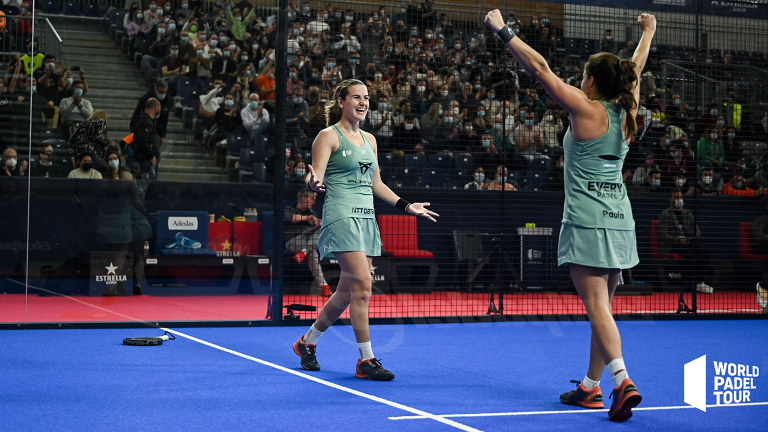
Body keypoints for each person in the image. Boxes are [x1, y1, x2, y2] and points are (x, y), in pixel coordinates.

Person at [484, 9, 650, 421]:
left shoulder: (585, 108)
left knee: (597, 307)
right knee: (603, 309)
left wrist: (503, 30)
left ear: (591, 81)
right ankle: (590, 388)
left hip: (587, 220)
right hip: (620, 221)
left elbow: (540, 68)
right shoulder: (628, 113)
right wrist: (649, 31)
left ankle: (621, 381)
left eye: (583, 74)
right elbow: (637, 69)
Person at [294, 79, 438, 380]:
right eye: (356, 97)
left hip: (366, 218)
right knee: (363, 285)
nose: (363, 103)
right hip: (341, 216)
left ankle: (307, 342)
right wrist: (313, 184)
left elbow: (377, 184)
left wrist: (407, 205)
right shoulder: (327, 136)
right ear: (341, 102)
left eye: (367, 98)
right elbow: (315, 177)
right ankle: (366, 360)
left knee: (346, 292)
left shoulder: (370, 140)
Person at [657, 189, 714, 294]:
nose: (679, 199)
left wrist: (693, 234)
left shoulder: (687, 213)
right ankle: (692, 281)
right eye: (676, 197)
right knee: (689, 254)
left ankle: (697, 282)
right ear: (670, 200)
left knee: (706, 254)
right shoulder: (665, 214)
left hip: (688, 242)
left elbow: (697, 231)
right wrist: (678, 239)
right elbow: (663, 234)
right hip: (673, 244)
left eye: (681, 197)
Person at [285, 188, 331, 297]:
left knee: (324, 228)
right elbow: (289, 218)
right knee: (313, 252)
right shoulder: (290, 209)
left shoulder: (312, 212)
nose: (314, 202)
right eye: (311, 198)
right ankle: (324, 286)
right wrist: (307, 218)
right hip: (293, 239)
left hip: (308, 239)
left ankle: (304, 251)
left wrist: (317, 222)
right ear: (303, 197)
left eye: (315, 199)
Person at [130, 98, 162, 179]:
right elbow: (143, 140)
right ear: (156, 108)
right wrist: (151, 155)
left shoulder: (139, 120)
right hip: (144, 162)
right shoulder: (146, 122)